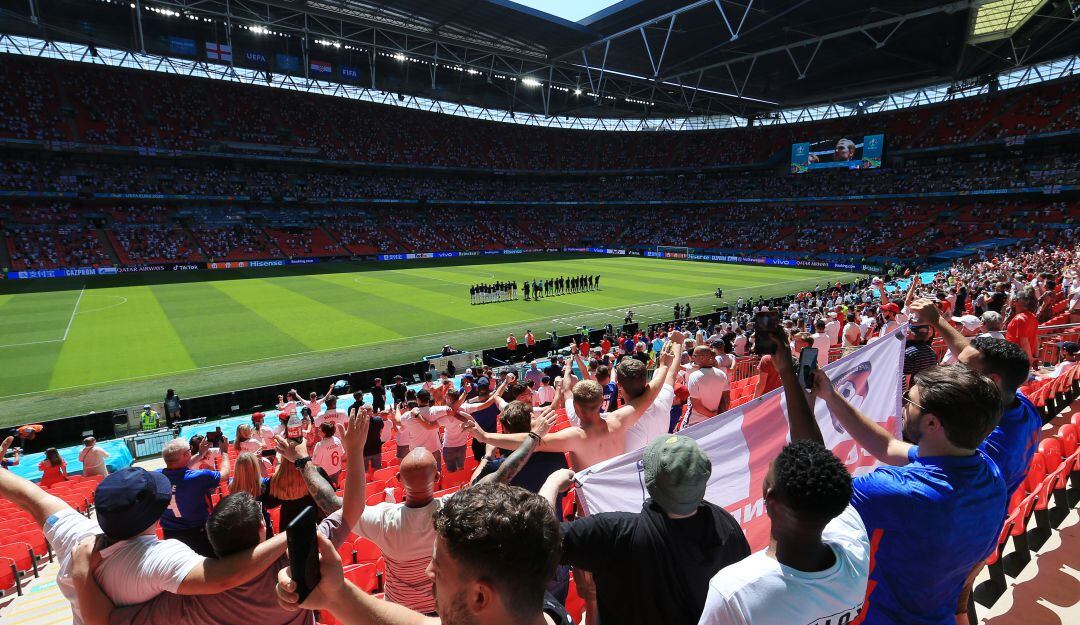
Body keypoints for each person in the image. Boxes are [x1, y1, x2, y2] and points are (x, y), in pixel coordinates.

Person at [69, 413, 371, 625]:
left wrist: (81, 570)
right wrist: (354, 451)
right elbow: (352, 509)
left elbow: (104, 620)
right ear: (263, 528)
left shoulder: (190, 600)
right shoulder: (295, 559)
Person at [811, 363, 1006, 624]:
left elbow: (813, 486)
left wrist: (802, 403)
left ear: (932, 422)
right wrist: (831, 396)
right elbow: (888, 446)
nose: (904, 406)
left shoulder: (893, 490)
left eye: (909, 401)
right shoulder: (990, 472)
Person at [698, 329, 869, 624]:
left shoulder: (735, 590)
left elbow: (813, 458)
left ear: (770, 501)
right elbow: (814, 459)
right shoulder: (855, 548)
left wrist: (788, 374)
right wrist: (788, 375)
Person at [0, 465, 288, 625]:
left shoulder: (78, 537)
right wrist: (292, 534)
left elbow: (29, 496)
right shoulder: (158, 557)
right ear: (155, 514)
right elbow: (229, 576)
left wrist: (81, 574)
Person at [274, 483, 571, 625]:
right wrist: (335, 594)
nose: (428, 573)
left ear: (480, 597)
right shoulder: (537, 610)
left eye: (438, 568)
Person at [540, 435, 750, 625]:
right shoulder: (727, 527)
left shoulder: (614, 533)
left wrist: (552, 482)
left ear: (650, 482)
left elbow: (537, 537)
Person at [468, 336, 680, 471]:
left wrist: (485, 436)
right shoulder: (619, 419)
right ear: (601, 402)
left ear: (577, 407)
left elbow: (531, 441)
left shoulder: (576, 436)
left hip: (592, 499)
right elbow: (649, 396)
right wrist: (662, 366)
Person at [159, 437, 232, 557]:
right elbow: (224, 475)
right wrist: (224, 452)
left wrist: (199, 454)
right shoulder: (198, 477)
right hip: (198, 533)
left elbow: (177, 466)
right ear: (186, 454)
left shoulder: (157, 476)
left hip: (171, 536)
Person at [686, 346, 731, 427]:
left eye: (694, 356)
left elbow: (696, 405)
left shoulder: (694, 376)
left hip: (696, 422)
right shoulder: (722, 374)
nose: (693, 358)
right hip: (715, 421)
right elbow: (726, 398)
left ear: (702, 358)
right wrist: (718, 416)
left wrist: (712, 415)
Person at [1005, 286, 1040, 363]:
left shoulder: (1019, 319)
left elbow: (1024, 342)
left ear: (1015, 302)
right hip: (1023, 358)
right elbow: (1036, 339)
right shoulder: (1032, 316)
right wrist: (1035, 357)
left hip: (1017, 358)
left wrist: (1030, 359)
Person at [312, 422, 345, 488]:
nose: (318, 429)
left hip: (326, 473)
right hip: (337, 470)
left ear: (324, 433)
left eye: (320, 429)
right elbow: (342, 454)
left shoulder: (320, 445)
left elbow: (315, 462)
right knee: (335, 487)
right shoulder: (337, 440)